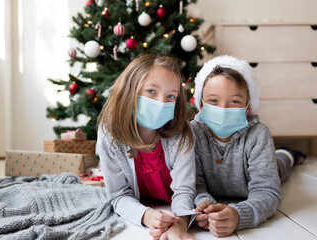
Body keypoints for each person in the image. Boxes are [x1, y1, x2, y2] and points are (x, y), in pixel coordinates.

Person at [191, 55, 306, 238]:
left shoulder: (258, 135)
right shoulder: (193, 133)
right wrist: (204, 204)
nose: (224, 108)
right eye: (213, 101)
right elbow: (194, 183)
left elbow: (268, 191)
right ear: (201, 104)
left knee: (279, 165)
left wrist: (239, 214)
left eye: (234, 101)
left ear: (248, 107)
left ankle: (288, 153)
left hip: (264, 170)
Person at [97, 54, 197, 239]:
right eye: (151, 91)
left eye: (171, 96)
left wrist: (180, 225)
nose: (161, 102)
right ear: (130, 91)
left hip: (174, 208)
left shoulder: (182, 134)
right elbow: (118, 195)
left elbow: (185, 190)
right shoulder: (109, 134)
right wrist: (147, 216)